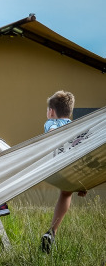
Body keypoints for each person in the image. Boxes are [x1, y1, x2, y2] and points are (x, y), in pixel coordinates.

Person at [41, 90, 86, 252]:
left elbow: (52, 130)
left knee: (66, 192)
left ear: (51, 112)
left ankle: (51, 234)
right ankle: (53, 231)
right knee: (66, 193)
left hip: (57, 163)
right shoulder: (74, 126)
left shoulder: (50, 122)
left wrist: (54, 135)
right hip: (71, 165)